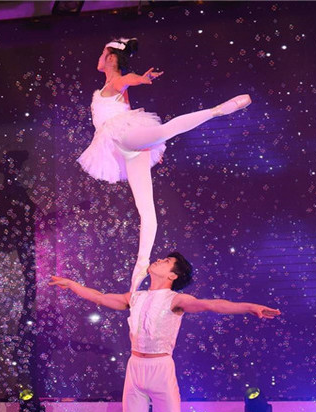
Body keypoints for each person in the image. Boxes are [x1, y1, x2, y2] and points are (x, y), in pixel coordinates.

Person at [49, 252, 280, 412]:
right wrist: (73, 285)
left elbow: (213, 305)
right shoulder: (135, 297)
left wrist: (249, 307)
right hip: (135, 367)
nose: (158, 260)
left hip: (160, 368)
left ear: (173, 275)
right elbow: (100, 297)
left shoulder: (176, 300)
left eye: (166, 261)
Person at [77, 37, 252, 292]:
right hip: (126, 147)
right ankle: (140, 267)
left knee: (166, 131)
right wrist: (149, 143)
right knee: (146, 211)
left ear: (111, 58)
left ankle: (217, 111)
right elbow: (125, 102)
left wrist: (140, 79)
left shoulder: (116, 81)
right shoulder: (106, 87)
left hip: (125, 137)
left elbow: (128, 80)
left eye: (102, 53)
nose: (99, 57)